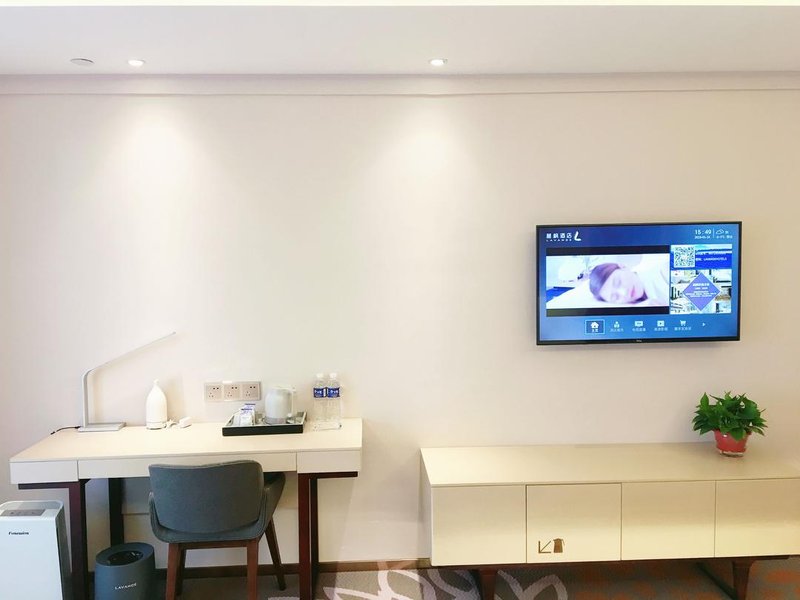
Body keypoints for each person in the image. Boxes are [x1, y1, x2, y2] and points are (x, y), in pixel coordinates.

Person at [589, 256, 669, 305]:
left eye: (618, 282)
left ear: (623, 266)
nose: (624, 292)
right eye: (616, 297)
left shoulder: (664, 272)